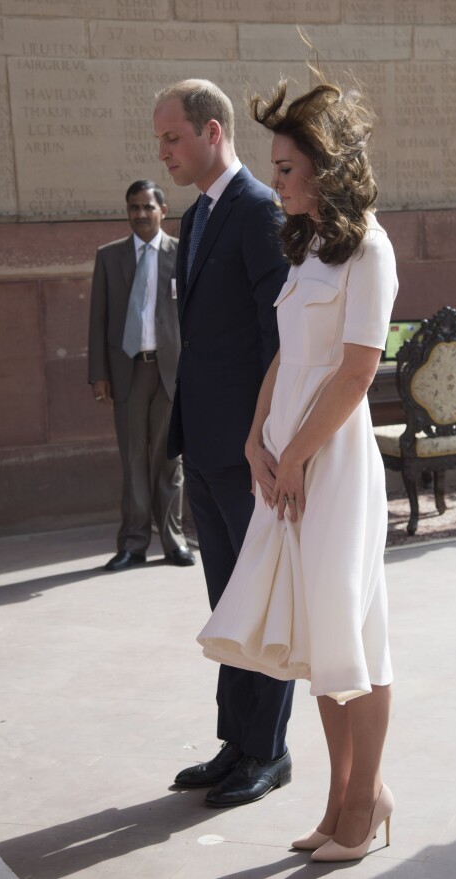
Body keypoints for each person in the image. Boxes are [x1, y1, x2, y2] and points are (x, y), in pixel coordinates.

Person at [198, 76, 398, 861]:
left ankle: (367, 798)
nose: (275, 180)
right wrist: (257, 439)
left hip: (332, 466)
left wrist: (296, 457)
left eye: (286, 168)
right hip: (286, 465)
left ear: (325, 167)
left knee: (354, 637)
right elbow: (286, 355)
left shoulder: (370, 249)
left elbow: (355, 373)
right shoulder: (310, 245)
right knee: (320, 641)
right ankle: (342, 798)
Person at [153, 80, 295, 807]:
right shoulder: (198, 214)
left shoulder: (259, 209)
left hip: (248, 453)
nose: (163, 152)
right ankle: (237, 742)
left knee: (261, 600)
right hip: (206, 446)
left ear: (213, 132)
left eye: (172, 137)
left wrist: (265, 440)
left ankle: (269, 751)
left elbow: (280, 338)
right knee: (229, 603)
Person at [88, 180, 195, 572]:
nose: (140, 214)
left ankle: (173, 540)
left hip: (171, 372)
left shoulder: (183, 254)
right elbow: (98, 319)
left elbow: (196, 317)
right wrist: (99, 374)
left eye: (147, 207)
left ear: (163, 210)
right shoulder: (109, 257)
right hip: (128, 371)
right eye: (134, 207)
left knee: (170, 458)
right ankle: (133, 544)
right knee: (134, 458)